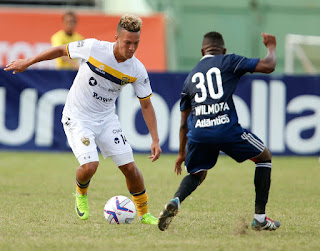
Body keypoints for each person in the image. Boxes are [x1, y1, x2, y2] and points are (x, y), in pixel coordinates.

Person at [5, 14, 162, 225]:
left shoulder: (137, 69)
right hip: (78, 117)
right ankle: (81, 193)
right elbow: (61, 50)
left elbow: (146, 104)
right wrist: (27, 62)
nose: (132, 48)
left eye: (136, 43)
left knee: (130, 169)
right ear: (116, 37)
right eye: (127, 43)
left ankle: (144, 214)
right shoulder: (94, 48)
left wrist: (155, 139)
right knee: (90, 166)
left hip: (107, 119)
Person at [158, 31, 280, 231]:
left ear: (201, 51)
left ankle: (176, 201)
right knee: (264, 157)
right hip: (225, 128)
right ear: (223, 50)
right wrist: (271, 46)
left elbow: (183, 123)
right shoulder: (229, 61)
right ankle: (260, 218)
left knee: (197, 173)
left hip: (198, 132)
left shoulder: (190, 77)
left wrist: (181, 153)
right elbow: (269, 65)